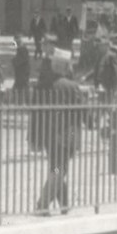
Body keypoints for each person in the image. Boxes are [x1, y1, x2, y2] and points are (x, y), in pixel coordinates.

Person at [34, 77, 86, 215]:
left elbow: (36, 112)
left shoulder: (44, 84)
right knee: (58, 170)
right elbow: (83, 111)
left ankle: (64, 204)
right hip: (67, 136)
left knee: (57, 168)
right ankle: (42, 205)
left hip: (49, 136)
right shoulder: (72, 86)